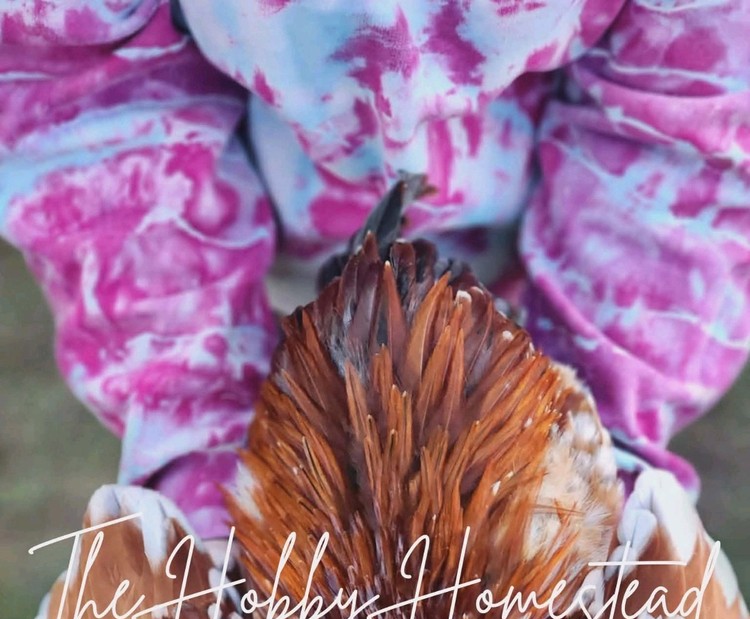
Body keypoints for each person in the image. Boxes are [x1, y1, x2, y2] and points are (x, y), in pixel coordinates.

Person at [1, 0, 748, 543]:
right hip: (256, 228)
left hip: (565, 227)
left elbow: (694, 103)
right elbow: (84, 89)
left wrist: (597, 415)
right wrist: (196, 412)